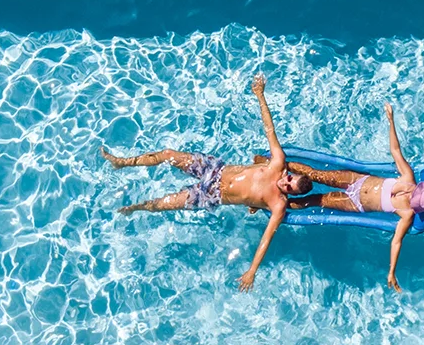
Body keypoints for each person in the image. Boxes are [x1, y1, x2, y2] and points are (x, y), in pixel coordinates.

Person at [103, 75, 314, 291]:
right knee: (167, 154)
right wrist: (260, 94)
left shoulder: (278, 204)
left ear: (291, 193)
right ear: (290, 173)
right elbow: (269, 129)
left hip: (211, 194)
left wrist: (252, 271)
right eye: (289, 179)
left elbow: (267, 238)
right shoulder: (277, 162)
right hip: (213, 168)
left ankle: (135, 208)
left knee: (164, 204)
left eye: (289, 187)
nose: (285, 183)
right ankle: (123, 163)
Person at [282, 103, 424, 291]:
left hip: (355, 203)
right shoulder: (408, 178)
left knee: (315, 201)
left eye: (413, 198)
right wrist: (391, 121)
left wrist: (391, 271)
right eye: (415, 192)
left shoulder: (407, 213)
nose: (410, 194)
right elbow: (395, 151)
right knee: (316, 174)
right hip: (357, 180)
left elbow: (397, 241)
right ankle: (281, 166)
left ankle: (279, 202)